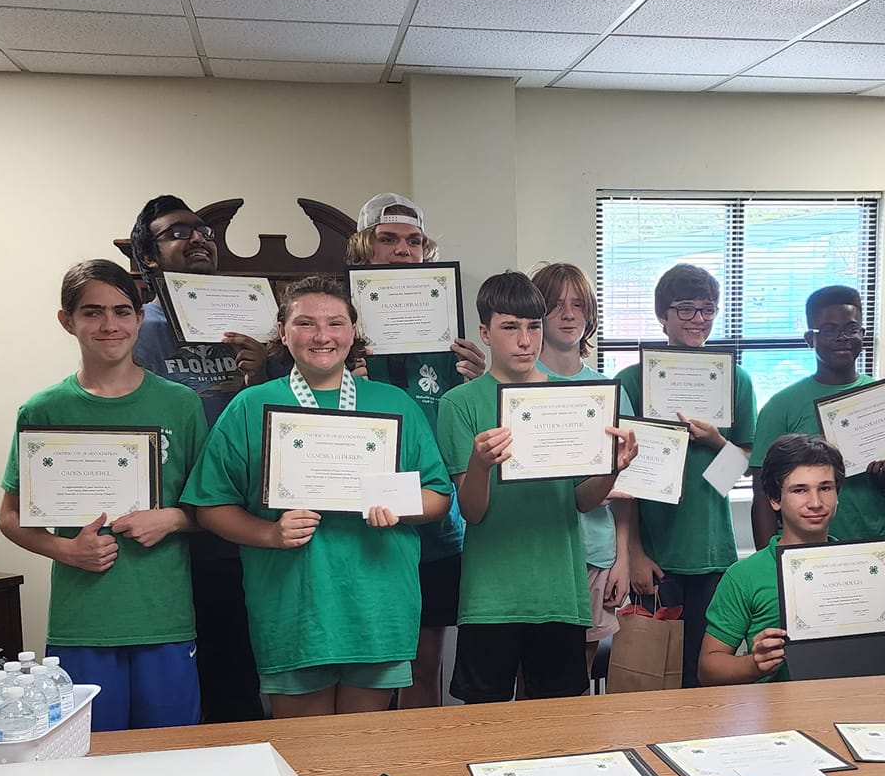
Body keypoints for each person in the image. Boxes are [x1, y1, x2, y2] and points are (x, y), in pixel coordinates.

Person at [182, 276, 454, 718]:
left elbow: (438, 496)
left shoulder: (394, 403)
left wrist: (398, 507)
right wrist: (270, 534)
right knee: (306, 753)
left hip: (377, 604)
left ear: (353, 331)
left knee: (363, 748)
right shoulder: (251, 406)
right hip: (294, 606)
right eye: (305, 323)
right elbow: (210, 504)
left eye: (335, 323)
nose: (322, 336)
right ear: (283, 332)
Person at [0, 259, 205, 732]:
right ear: (66, 320)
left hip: (163, 618)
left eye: (122, 311)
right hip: (82, 622)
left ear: (139, 317)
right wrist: (66, 549)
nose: (110, 325)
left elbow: (212, 507)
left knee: (171, 755)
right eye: (92, 312)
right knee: (88, 756)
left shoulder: (180, 404)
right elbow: (10, 517)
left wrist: (172, 518)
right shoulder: (44, 410)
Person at [436, 270, 636, 704]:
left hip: (559, 589)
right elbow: (472, 512)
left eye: (533, 326)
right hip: (491, 596)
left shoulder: (576, 399)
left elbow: (583, 501)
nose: (525, 340)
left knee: (558, 724)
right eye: (510, 327)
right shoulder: (459, 404)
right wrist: (480, 464)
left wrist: (613, 469)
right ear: (485, 333)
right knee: (484, 723)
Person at [127, 193, 268, 724]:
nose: (198, 239)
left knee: (241, 670)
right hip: (170, 525)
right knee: (182, 674)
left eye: (205, 232)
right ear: (149, 257)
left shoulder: (257, 326)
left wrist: (262, 370)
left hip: (241, 520)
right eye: (178, 232)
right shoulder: (139, 328)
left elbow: (283, 420)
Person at [351, 194, 486, 709]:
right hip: (362, 528)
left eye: (414, 242)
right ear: (363, 248)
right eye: (388, 239)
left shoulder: (448, 343)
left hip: (435, 528)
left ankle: (417, 756)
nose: (403, 251)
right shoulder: (337, 338)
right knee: (368, 664)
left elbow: (469, 430)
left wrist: (479, 383)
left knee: (423, 664)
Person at [620, 263, 757, 689]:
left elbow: (743, 467)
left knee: (707, 675)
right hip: (656, 556)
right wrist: (634, 553)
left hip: (713, 552)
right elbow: (621, 479)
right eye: (685, 309)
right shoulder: (631, 381)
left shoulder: (736, 380)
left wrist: (716, 441)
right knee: (653, 678)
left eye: (707, 309)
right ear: (662, 315)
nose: (698, 319)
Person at [701, 435, 885, 686]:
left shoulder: (867, 567)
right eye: (800, 490)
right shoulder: (744, 575)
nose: (815, 503)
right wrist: (753, 665)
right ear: (775, 499)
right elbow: (708, 669)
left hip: (854, 701)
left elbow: (866, 660)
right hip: (778, 706)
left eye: (825, 488)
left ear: (838, 493)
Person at [748, 284, 885, 548]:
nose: (842, 338)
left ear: (863, 334)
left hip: (871, 546)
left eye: (851, 329)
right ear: (809, 338)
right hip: (801, 551)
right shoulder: (781, 406)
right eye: (829, 330)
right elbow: (762, 492)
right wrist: (769, 560)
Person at [533, 260, 633, 669]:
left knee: (579, 677)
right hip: (536, 553)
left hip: (595, 553)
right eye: (556, 305)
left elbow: (628, 489)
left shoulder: (610, 391)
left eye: (578, 305)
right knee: (533, 677)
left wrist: (623, 558)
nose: (569, 314)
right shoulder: (518, 388)